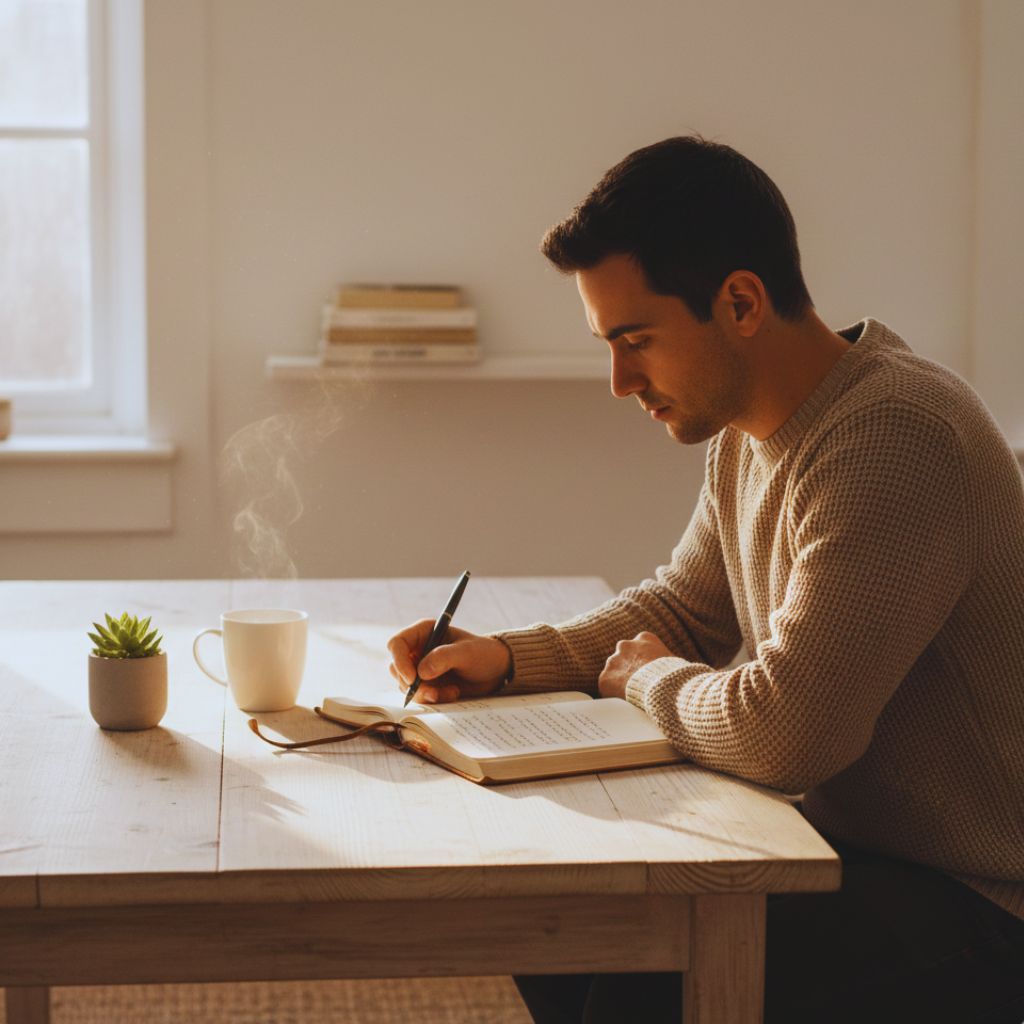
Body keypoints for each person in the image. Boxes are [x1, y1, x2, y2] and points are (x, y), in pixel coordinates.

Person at [386, 135, 1024, 1023]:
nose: (618, 382)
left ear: (740, 302)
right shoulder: (749, 433)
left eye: (636, 339)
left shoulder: (895, 438)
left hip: (983, 900)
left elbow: (788, 733)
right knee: (562, 923)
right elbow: (682, 610)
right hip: (861, 850)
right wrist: (504, 658)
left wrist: (647, 680)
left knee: (641, 981)